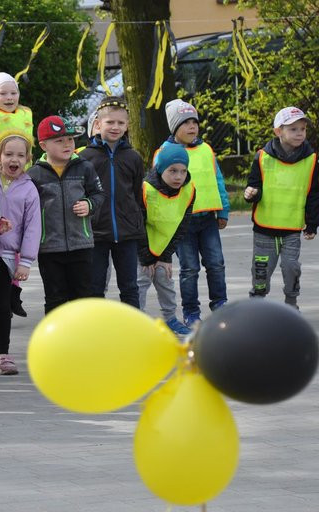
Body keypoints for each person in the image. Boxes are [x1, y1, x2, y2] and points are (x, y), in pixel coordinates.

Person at [155, 98, 230, 326]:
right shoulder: (164, 152)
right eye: (185, 122)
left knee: (216, 263)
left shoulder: (206, 149)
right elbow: (156, 188)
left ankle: (220, 305)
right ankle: (191, 312)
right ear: (174, 127)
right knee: (189, 268)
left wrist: (223, 209)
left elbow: (217, 180)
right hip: (182, 222)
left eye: (194, 122)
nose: (192, 127)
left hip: (207, 218)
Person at [243, 107, 319, 310]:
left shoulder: (310, 159)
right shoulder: (262, 157)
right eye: (293, 129)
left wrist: (312, 223)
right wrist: (251, 193)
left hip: (292, 228)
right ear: (278, 131)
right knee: (261, 270)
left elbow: (313, 193)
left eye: (303, 129)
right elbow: (254, 185)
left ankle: (291, 303)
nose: (300, 133)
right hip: (264, 228)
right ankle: (257, 304)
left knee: (291, 268)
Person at [28, 116, 104, 313]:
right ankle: (56, 342)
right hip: (50, 249)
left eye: (70, 139)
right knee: (55, 299)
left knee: (83, 298)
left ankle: (83, 340)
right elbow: (27, 208)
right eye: (59, 140)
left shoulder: (85, 167)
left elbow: (98, 194)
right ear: (44, 145)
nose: (67, 144)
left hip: (81, 244)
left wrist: (89, 205)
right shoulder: (34, 174)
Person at [0, 129, 41, 375]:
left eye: (20, 155)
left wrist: (26, 261)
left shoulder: (29, 189)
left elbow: (32, 227)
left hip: (7, 255)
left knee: (2, 305)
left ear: (28, 158)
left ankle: (3, 354)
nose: (14, 160)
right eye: (8, 154)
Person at [79, 97, 145, 307]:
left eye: (120, 123)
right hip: (96, 233)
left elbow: (136, 194)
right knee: (95, 287)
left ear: (127, 126)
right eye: (110, 122)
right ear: (97, 124)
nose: (115, 127)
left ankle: (131, 331)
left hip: (127, 233)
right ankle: (98, 333)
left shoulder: (133, 157)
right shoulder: (85, 158)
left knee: (129, 287)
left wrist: (139, 225)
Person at [137, 144, 195, 336]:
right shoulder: (145, 189)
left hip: (163, 249)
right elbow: (137, 225)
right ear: (161, 169)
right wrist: (146, 257)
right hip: (141, 248)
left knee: (166, 281)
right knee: (140, 283)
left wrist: (165, 256)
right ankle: (137, 323)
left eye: (183, 171)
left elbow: (181, 226)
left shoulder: (189, 191)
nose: (179, 176)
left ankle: (170, 319)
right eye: (172, 171)